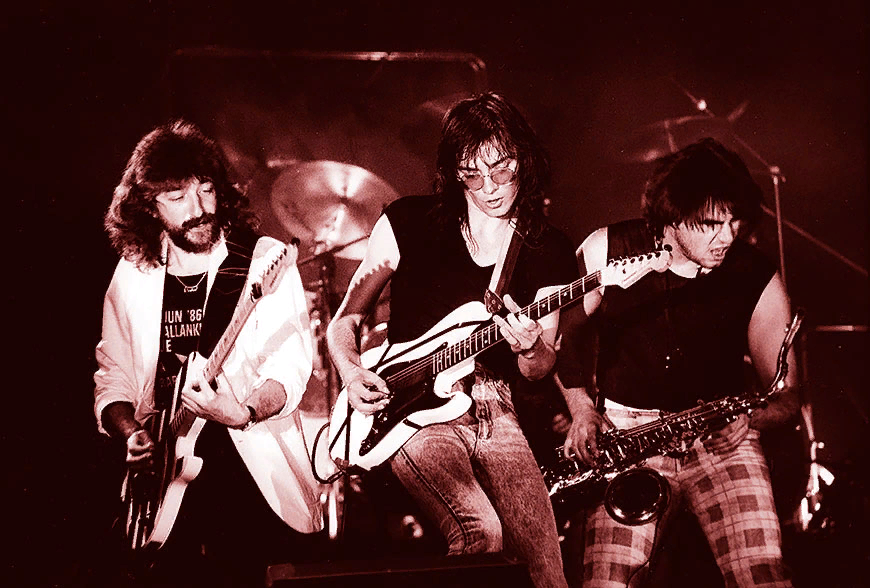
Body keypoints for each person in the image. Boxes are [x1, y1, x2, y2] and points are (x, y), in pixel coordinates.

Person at [326, 92, 578, 587]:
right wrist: (352, 372)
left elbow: (539, 368)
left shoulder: (548, 248)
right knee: (480, 532)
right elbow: (345, 319)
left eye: (502, 169)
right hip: (412, 409)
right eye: (472, 174)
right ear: (454, 172)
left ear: (524, 159)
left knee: (547, 570)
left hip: (496, 409)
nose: (490, 187)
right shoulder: (407, 222)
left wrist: (529, 346)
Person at [558, 137, 799, 587]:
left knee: (763, 577)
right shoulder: (606, 247)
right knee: (606, 582)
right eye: (711, 224)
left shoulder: (756, 275)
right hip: (627, 436)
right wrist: (582, 410)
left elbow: (787, 395)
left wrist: (753, 419)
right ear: (671, 218)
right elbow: (562, 340)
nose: (727, 237)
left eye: (734, 221)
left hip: (722, 439)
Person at [94, 120, 324, 586]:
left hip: (248, 458)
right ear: (149, 206)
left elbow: (290, 367)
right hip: (162, 477)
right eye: (177, 198)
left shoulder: (261, 260)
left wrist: (242, 412)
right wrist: (130, 433)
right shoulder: (133, 273)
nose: (199, 210)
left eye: (206, 190)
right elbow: (113, 373)